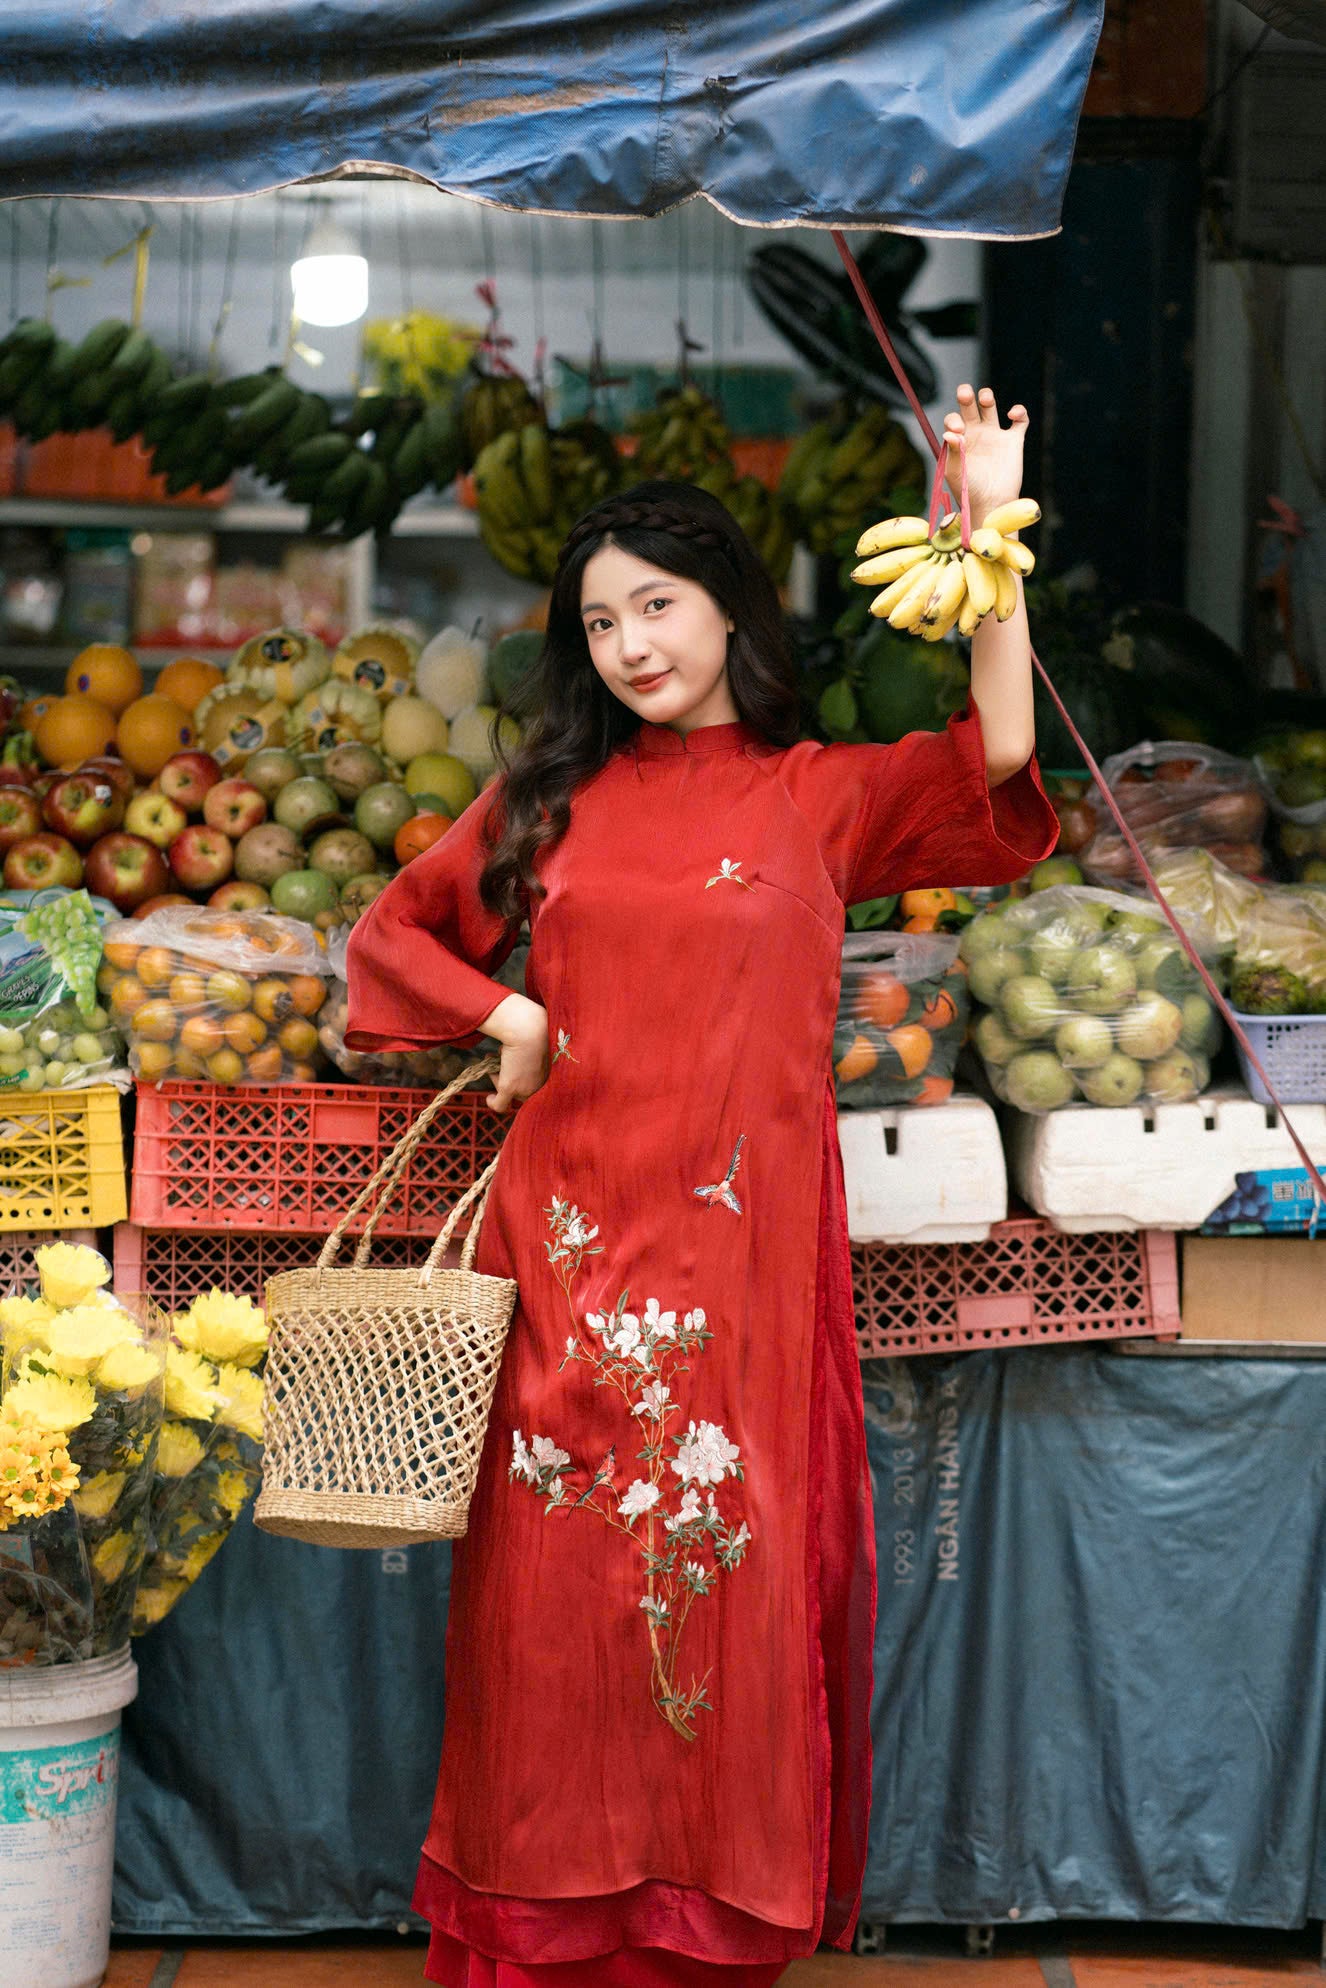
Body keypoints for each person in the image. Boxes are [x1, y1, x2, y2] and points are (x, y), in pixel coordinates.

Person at [345, 385, 1058, 1988]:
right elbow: (390, 939)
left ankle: (697, 1927)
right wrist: (507, 1007)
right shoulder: (547, 802)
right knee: (547, 1603)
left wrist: (988, 539)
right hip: (569, 1246)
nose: (627, 644)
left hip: (738, 1273)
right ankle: (541, 1922)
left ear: (730, 606)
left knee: (720, 1585)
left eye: (654, 605)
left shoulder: (820, 794)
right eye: (596, 621)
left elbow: (1004, 758)